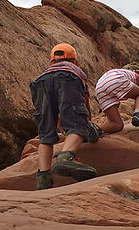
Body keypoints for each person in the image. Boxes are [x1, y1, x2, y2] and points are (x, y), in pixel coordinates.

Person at [29, 43, 102, 190]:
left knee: (45, 134)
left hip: (39, 83)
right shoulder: (76, 70)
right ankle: (65, 157)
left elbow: (53, 113)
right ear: (75, 61)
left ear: (52, 61)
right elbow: (84, 101)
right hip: (67, 79)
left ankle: (44, 179)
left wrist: (58, 125)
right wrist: (86, 123)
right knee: (77, 125)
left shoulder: (45, 71)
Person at [96, 62, 139, 133]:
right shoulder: (138, 76)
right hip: (115, 80)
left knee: (117, 124)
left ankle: (91, 131)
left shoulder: (119, 72)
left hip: (99, 87)